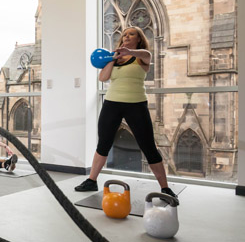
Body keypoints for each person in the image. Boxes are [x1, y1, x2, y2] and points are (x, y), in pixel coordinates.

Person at [75, 27, 178, 199]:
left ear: (138, 39)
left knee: (149, 147)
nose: (126, 36)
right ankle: (91, 181)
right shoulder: (115, 58)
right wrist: (112, 59)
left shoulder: (141, 57)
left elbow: (147, 55)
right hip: (112, 103)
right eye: (124, 34)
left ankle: (165, 188)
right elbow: (103, 78)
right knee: (103, 144)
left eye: (131, 34)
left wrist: (129, 51)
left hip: (136, 104)